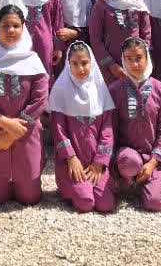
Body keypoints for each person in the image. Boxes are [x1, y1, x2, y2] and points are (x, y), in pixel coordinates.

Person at [0, 5, 48, 205]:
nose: (11, 30)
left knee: (30, 198)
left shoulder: (32, 60)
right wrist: (4, 123)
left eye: (16, 26)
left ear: (23, 28)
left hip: (25, 133)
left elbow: (40, 99)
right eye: (5, 26)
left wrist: (14, 132)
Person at [49, 42, 116, 213]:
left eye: (85, 63)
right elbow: (58, 130)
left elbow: (107, 131)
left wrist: (99, 162)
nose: (80, 69)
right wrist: (71, 157)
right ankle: (70, 187)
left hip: (97, 162)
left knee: (105, 204)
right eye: (75, 63)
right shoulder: (61, 90)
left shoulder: (100, 89)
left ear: (91, 63)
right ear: (68, 64)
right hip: (72, 163)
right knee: (85, 202)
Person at [108, 37, 161, 212]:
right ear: (123, 60)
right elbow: (109, 130)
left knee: (155, 203)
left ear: (147, 58)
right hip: (126, 156)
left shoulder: (160, 89)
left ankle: (141, 183)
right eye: (129, 59)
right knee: (130, 162)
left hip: (153, 158)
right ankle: (126, 179)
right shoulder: (115, 90)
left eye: (138, 58)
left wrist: (153, 163)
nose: (134, 64)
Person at [89, 0, 152, 84]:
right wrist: (111, 64)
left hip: (137, 65)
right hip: (110, 68)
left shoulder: (138, 4)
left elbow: (146, 35)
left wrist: (139, 59)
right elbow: (95, 39)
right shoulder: (101, 6)